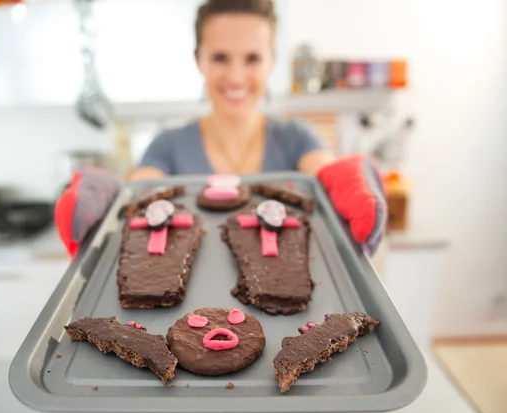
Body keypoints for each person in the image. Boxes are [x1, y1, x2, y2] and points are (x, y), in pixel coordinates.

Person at [55, 0, 387, 258]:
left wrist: (345, 182)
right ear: (198, 59)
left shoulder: (299, 140)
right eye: (220, 58)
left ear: (272, 60)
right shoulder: (167, 147)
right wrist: (113, 203)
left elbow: (326, 177)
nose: (236, 77)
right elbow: (139, 196)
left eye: (253, 58)